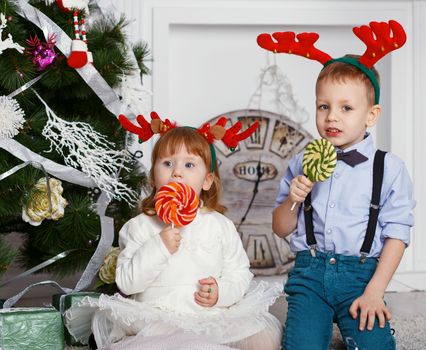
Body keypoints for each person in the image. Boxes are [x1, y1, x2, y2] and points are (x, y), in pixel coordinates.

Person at [261, 21, 416, 349]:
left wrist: (375, 291)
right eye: (324, 106)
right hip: (309, 275)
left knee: (375, 346)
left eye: (346, 108)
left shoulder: (389, 168)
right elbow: (279, 227)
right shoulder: (303, 160)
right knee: (300, 345)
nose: (332, 117)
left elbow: (397, 235)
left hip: (361, 278)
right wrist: (293, 198)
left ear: (371, 116)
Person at [65, 125, 282, 350]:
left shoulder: (220, 226)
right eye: (167, 163)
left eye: (189, 165)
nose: (177, 172)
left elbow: (239, 273)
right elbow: (128, 283)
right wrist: (159, 246)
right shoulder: (138, 227)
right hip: (156, 320)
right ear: (152, 178)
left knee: (265, 338)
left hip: (210, 318)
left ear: (207, 181)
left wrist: (220, 292)